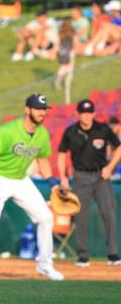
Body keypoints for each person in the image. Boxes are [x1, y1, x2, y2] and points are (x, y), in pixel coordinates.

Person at [0, 93, 64, 281]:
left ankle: (45, 265)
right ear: (27, 110)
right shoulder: (8, 130)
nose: (42, 112)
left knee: (46, 217)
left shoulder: (42, 133)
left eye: (44, 109)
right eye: (38, 108)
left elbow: (42, 160)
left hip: (21, 179)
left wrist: (52, 184)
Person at [57, 99, 121, 267]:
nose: (86, 116)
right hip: (80, 177)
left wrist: (110, 167)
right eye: (83, 113)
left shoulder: (103, 129)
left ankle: (113, 254)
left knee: (108, 212)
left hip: (101, 176)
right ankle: (83, 255)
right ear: (77, 114)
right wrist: (63, 177)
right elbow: (62, 154)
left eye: (89, 112)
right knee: (81, 216)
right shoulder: (70, 131)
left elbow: (119, 147)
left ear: (93, 113)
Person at [54, 18, 76, 91]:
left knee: (63, 67)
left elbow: (57, 43)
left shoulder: (60, 32)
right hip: (70, 52)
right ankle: (67, 82)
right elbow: (75, 42)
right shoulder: (72, 31)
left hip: (62, 52)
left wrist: (55, 52)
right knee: (70, 68)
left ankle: (58, 81)